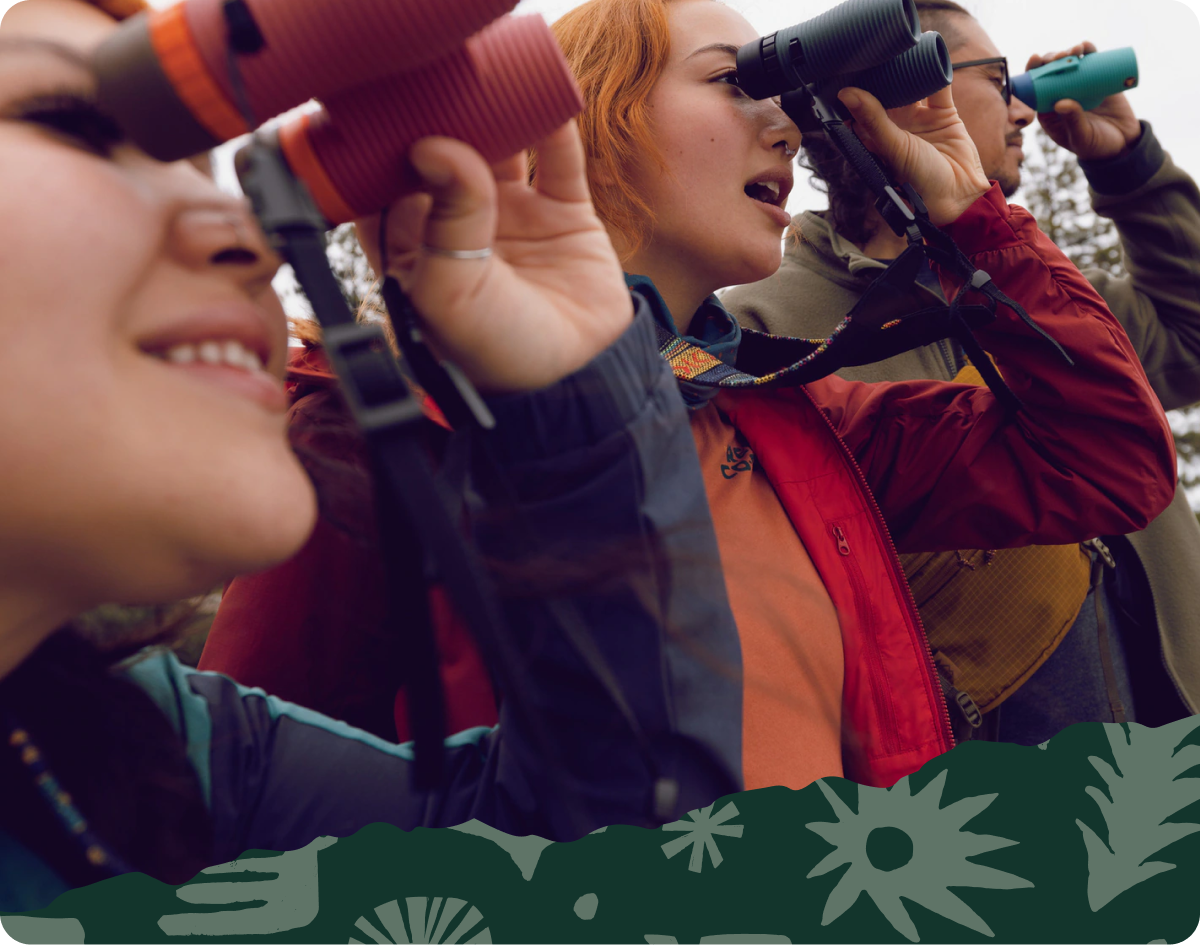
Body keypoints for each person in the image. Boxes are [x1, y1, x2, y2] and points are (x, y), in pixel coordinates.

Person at [204, 0, 1176, 797]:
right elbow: (241, 798)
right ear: (588, 120)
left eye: (781, 93)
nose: (785, 122)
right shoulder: (396, 431)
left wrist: (972, 215)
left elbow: (1104, 462)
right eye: (732, 80)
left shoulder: (793, 425)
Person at [0, 0, 747, 913]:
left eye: (204, 171)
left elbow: (628, 884)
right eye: (72, 127)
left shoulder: (160, 758)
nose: (249, 239)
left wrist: (576, 388)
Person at [723, 0, 1200, 745]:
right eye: (1000, 79)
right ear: (915, 91)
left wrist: (1127, 162)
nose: (1022, 109)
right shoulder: (762, 337)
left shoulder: (1055, 299)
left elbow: (1192, 345)